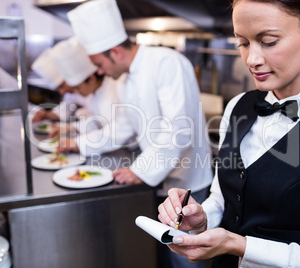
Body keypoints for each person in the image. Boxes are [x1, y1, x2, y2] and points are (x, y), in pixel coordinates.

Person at [157, 0, 300, 267]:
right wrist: (201, 218)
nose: (252, 59)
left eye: (268, 41)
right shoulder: (238, 106)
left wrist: (239, 245)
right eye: (243, 43)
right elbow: (222, 199)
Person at [65, 1, 213, 267]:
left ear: (114, 52)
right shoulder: (124, 78)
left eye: (98, 63)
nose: (99, 72)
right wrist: (80, 144)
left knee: (187, 259)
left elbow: (178, 130)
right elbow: (123, 126)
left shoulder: (168, 63)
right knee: (165, 254)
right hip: (158, 181)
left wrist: (140, 170)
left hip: (187, 183)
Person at [30, 45, 86, 123]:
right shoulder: (71, 94)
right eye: (58, 88)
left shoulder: (93, 85)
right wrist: (46, 115)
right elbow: (64, 111)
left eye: (61, 86)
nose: (61, 92)